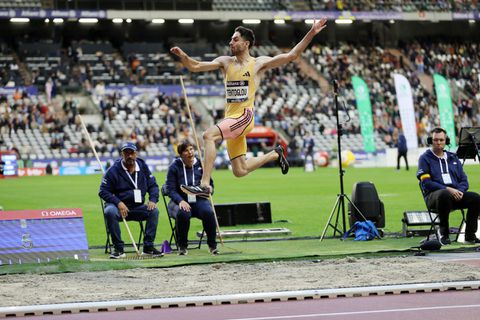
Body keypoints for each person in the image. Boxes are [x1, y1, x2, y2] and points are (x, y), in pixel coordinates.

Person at [170, 18, 327, 197]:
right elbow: (195, 66)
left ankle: (204, 185)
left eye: (235, 39)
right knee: (240, 170)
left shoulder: (258, 64)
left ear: (246, 43)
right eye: (230, 39)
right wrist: (183, 56)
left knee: (208, 135)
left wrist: (312, 32)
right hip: (230, 118)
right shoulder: (225, 62)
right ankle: (275, 155)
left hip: (244, 116)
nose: (231, 42)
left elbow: (291, 55)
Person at [417, 127, 480, 245]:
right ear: (431, 141)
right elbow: (426, 182)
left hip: (455, 195)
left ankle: (470, 235)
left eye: (441, 140)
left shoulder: (453, 157)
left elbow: (464, 180)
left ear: (446, 141)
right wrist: (448, 189)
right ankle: (444, 234)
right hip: (434, 197)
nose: (439, 143)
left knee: (476, 198)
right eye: (436, 140)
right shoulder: (424, 158)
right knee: (444, 194)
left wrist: (459, 191)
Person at [99, 142, 162, 258]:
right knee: (109, 212)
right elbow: (103, 191)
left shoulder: (142, 167)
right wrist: (118, 203)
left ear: (136, 154)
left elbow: (153, 186)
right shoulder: (113, 170)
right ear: (122, 154)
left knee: (154, 211)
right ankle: (118, 249)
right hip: (118, 208)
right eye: (126, 153)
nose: (129, 156)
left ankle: (148, 248)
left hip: (137, 207)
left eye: (131, 153)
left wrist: (153, 200)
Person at [165, 141, 218, 255]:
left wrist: (210, 189)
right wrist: (181, 201)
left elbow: (210, 185)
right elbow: (171, 190)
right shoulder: (174, 167)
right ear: (180, 154)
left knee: (208, 212)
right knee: (183, 213)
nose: (190, 153)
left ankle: (212, 245)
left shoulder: (202, 165)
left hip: (198, 200)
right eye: (186, 151)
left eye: (191, 149)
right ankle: (182, 246)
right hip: (180, 200)